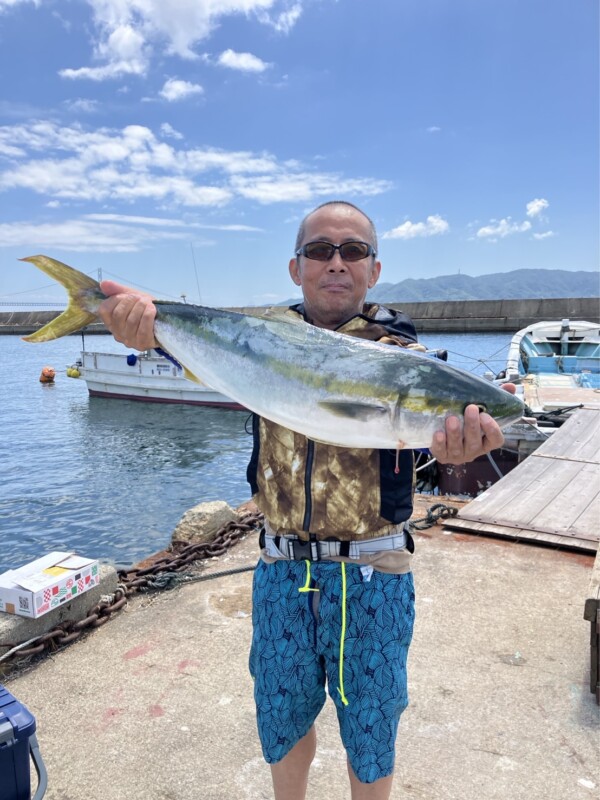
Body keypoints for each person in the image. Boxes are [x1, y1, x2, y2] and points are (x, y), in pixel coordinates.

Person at [98, 201, 514, 800]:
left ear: (375, 269)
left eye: (353, 251)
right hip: (279, 568)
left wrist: (455, 449)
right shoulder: (256, 346)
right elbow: (191, 349)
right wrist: (139, 321)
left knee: (371, 731)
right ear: (296, 269)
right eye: (320, 251)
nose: (336, 262)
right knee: (282, 720)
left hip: (374, 573)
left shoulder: (409, 363)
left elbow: (437, 428)